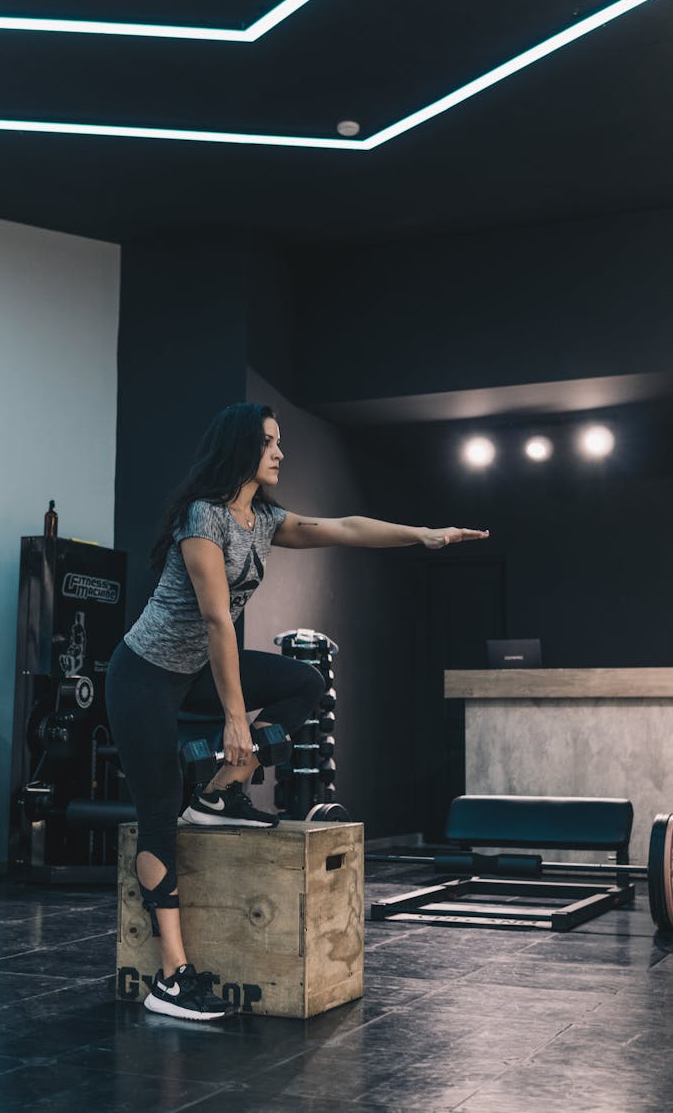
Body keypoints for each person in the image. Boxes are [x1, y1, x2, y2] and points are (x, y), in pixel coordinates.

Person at [105, 402, 488, 1021]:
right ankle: (171, 978)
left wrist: (423, 536)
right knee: (156, 817)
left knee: (304, 683)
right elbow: (215, 620)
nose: (281, 453)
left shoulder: (262, 518)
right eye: (270, 443)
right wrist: (234, 718)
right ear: (240, 450)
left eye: (281, 442)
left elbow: (343, 527)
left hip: (197, 672)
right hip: (145, 677)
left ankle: (217, 796)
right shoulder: (202, 518)